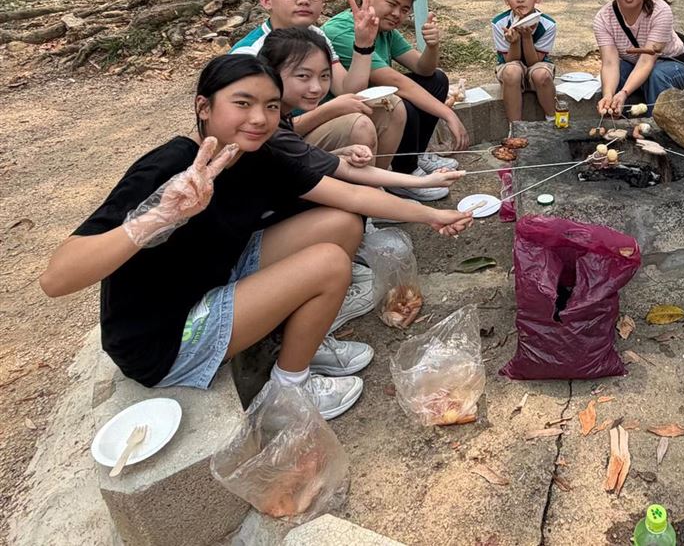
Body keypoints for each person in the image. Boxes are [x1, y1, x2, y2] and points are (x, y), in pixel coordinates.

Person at [40, 55, 473, 420]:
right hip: (165, 334)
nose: (259, 118)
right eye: (242, 103)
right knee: (328, 264)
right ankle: (289, 391)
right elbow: (56, 279)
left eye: (270, 106)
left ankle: (304, 337)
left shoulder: (256, 154)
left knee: (341, 222)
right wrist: (156, 219)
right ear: (204, 106)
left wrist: (432, 214)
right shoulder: (169, 167)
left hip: (215, 276)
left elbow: (351, 194)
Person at [231, 0, 406, 169]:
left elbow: (348, 90)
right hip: (270, 147)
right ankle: (360, 187)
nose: (304, 0)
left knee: (391, 106)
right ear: (267, 0)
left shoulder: (316, 36)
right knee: (358, 125)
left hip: (308, 130)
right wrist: (328, 110)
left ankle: (377, 180)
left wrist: (363, 44)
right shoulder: (249, 54)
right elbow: (255, 131)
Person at [259, 27, 465, 202]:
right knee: (348, 217)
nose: (316, 88)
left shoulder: (278, 115)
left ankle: (381, 191)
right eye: (303, 76)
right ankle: (375, 203)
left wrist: (341, 153)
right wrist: (431, 211)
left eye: (324, 76)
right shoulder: (267, 126)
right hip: (268, 213)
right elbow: (349, 189)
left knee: (393, 102)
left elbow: (328, 163)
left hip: (293, 169)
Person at [322, 0, 471, 179]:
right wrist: (448, 114)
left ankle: (416, 155)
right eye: (392, 4)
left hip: (374, 103)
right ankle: (405, 170)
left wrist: (432, 46)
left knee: (436, 79)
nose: (397, 14)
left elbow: (423, 68)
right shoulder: (343, 30)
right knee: (402, 103)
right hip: (344, 114)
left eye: (404, 10)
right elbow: (394, 81)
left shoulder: (386, 30)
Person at [594, 0, 684, 118]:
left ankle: (655, 125)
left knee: (656, 76)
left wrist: (624, 92)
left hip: (673, 64)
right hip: (635, 65)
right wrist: (608, 95)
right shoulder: (603, 18)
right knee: (617, 75)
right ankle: (620, 121)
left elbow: (646, 61)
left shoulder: (660, 11)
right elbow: (610, 63)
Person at [492, 0, 557, 123]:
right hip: (510, 67)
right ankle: (516, 127)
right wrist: (514, 42)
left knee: (541, 75)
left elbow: (534, 62)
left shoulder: (548, 25)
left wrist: (527, 38)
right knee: (512, 71)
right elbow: (509, 61)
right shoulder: (499, 24)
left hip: (537, 65)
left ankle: (553, 120)